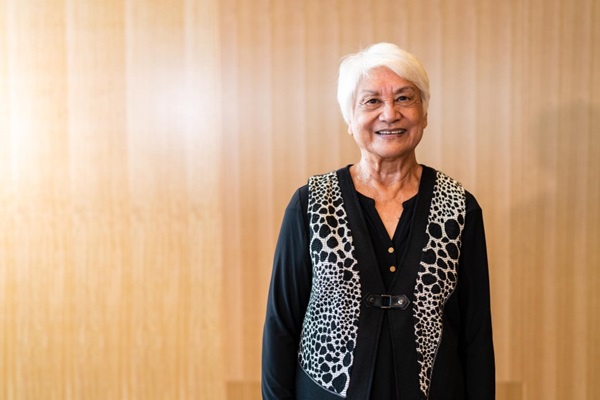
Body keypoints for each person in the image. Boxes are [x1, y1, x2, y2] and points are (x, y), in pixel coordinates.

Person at [262, 42, 495, 400]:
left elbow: (476, 334)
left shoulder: (460, 207)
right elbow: (281, 326)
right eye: (372, 101)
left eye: (405, 98)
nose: (390, 114)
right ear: (350, 119)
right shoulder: (310, 204)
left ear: (425, 113)